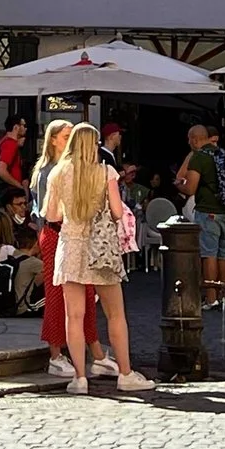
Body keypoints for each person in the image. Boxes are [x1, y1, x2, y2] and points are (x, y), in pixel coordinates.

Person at [38, 125, 151, 392]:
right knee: (115, 314)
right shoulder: (106, 172)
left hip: (70, 247)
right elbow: (115, 210)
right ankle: (125, 373)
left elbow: (52, 216)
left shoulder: (58, 172)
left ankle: (79, 378)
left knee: (74, 316)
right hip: (100, 250)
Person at [30, 121, 104, 380]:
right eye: (65, 136)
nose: (70, 140)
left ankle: (93, 351)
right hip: (55, 234)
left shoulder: (76, 167)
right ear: (53, 140)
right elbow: (45, 212)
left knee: (86, 294)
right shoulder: (48, 170)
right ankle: (55, 354)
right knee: (56, 295)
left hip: (75, 235)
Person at [176, 124, 225, 305]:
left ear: (195, 139)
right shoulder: (223, 154)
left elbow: (190, 187)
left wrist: (178, 185)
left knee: (209, 254)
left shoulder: (199, 157)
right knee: (224, 254)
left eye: (189, 139)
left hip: (208, 210)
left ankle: (211, 298)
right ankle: (223, 295)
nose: (189, 142)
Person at [0, 114, 30, 191]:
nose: (26, 129)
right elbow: (0, 170)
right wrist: (19, 186)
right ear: (16, 127)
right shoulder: (11, 144)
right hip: (11, 192)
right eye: (23, 125)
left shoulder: (4, 141)